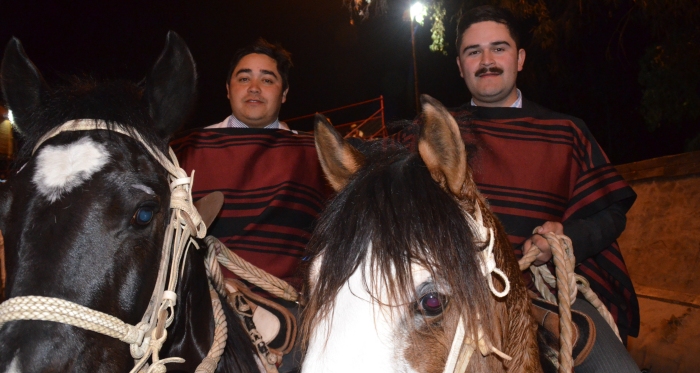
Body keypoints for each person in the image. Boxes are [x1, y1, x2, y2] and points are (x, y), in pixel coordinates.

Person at [396, 5, 640, 372]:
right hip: (448, 300)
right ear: (460, 66)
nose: (487, 60)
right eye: (473, 52)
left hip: (548, 294)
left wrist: (567, 238)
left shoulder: (566, 132)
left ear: (520, 58)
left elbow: (611, 212)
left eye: (499, 48)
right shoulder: (432, 135)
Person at [172, 38, 330, 373]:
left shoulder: (314, 154)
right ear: (228, 90)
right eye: (244, 78)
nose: (254, 87)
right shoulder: (187, 150)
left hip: (290, 306)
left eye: (267, 79)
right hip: (199, 304)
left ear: (284, 93)